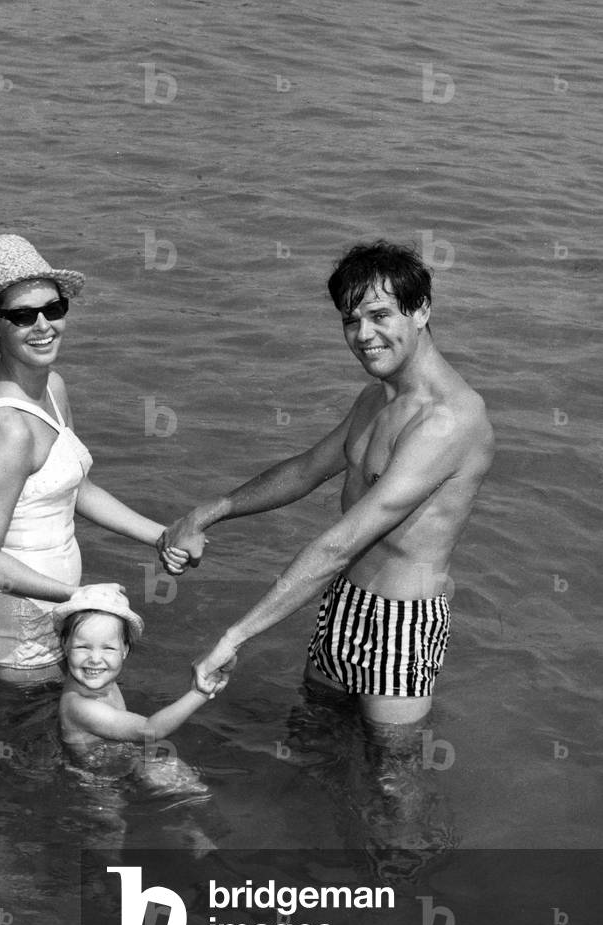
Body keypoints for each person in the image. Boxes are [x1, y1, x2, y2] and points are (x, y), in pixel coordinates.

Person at [159, 240, 495, 726]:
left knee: (390, 779)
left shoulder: (448, 421)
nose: (364, 334)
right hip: (345, 599)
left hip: (403, 621)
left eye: (380, 315)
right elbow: (307, 469)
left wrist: (234, 637)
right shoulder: (375, 398)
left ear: (421, 310)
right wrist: (205, 513)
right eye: (350, 320)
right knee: (315, 733)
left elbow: (342, 542)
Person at [0, 234, 186, 684]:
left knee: (63, 733)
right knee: (33, 736)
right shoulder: (9, 428)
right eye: (22, 316)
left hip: (60, 606)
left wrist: (162, 536)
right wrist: (81, 596)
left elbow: (75, 487)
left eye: (54, 308)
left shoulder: (53, 388)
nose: (43, 325)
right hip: (22, 617)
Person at [54, 584, 229, 751]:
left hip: (119, 752)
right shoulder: (80, 706)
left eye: (108, 648)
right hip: (96, 777)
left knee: (179, 774)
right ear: (65, 645)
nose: (95, 659)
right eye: (83, 647)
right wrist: (200, 693)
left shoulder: (93, 676)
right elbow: (150, 731)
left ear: (124, 651)